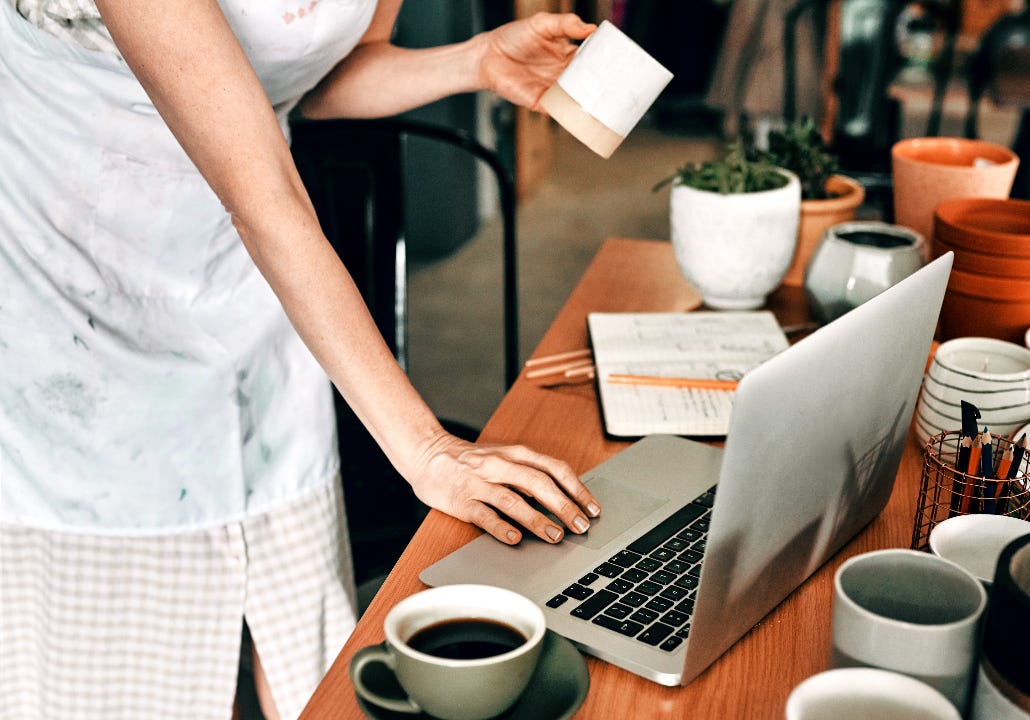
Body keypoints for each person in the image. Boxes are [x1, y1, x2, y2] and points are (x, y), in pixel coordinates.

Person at [0, 1, 602, 719]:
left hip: (262, 286)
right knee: (122, 671)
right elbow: (263, 196)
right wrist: (431, 451)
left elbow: (312, 80)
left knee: (297, 644)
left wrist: (475, 61)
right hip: (81, 304)